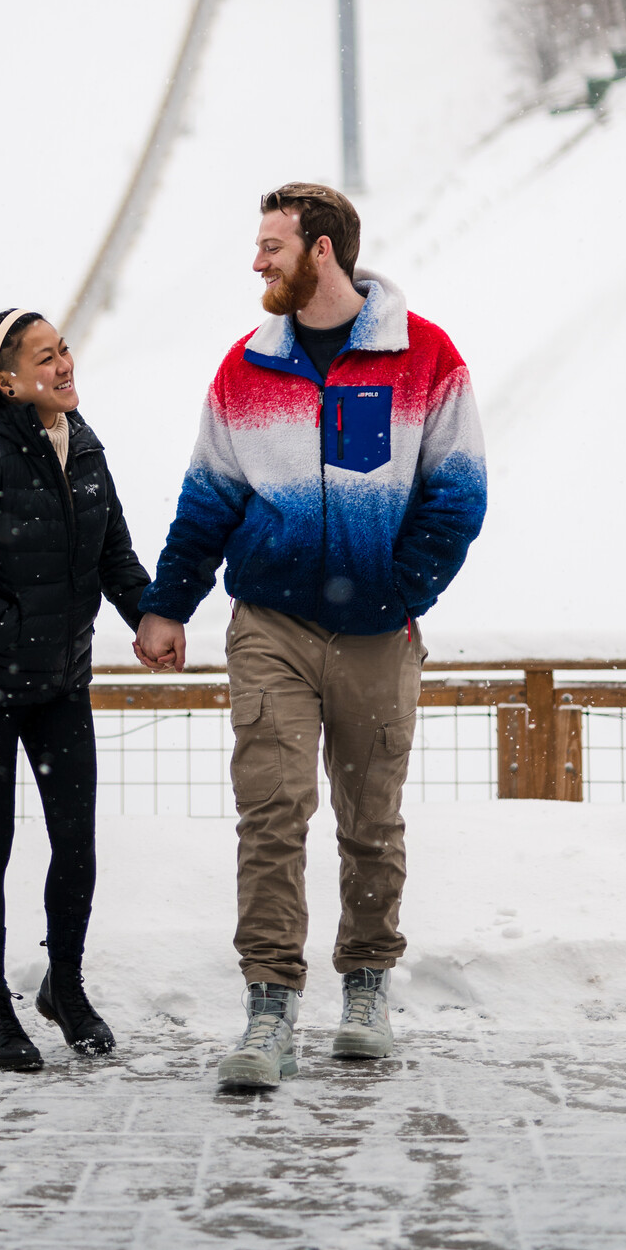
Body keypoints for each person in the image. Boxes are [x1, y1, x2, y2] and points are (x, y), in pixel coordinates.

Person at [135, 184, 487, 1087]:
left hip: (377, 632)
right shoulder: (245, 367)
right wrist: (168, 603)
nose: (256, 263)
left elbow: (457, 496)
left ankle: (365, 986)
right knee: (271, 812)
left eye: (271, 246)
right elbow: (207, 497)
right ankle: (268, 1007)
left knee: (370, 823)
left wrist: (397, 590)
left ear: (320, 250)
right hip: (270, 625)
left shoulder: (425, 358)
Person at [0, 307, 150, 1072]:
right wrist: (12, 634)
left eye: (65, 349)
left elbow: (116, 556)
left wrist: (152, 617)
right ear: (7, 381)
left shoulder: (85, 449)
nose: (64, 364)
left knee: (75, 841)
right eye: (45, 356)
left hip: (59, 684)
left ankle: (65, 990)